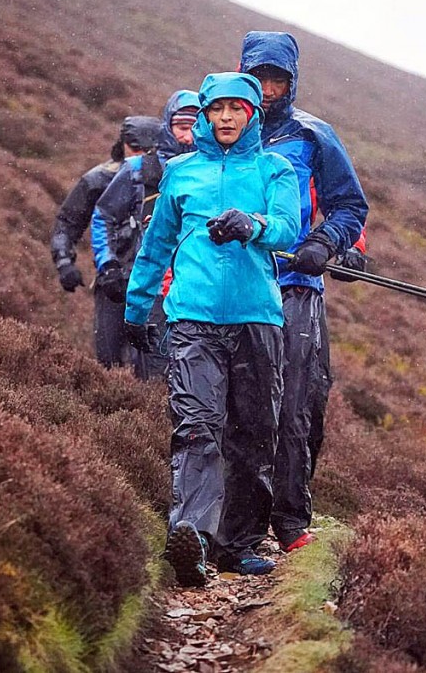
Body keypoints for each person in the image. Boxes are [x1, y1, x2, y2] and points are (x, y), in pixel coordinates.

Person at [124, 72, 300, 584]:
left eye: (236, 109)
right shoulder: (180, 173)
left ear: (252, 115)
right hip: (193, 319)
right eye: (216, 108)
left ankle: (239, 543)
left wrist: (253, 225)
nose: (225, 118)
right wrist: (137, 311)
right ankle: (193, 539)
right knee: (197, 426)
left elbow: (289, 227)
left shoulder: (276, 169)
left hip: (257, 320)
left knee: (253, 434)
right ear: (204, 113)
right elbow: (155, 247)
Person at [239, 31, 368, 553]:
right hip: (239, 287)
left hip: (296, 288)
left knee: (297, 407)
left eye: (278, 79)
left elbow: (349, 207)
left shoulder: (315, 135)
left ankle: (290, 520)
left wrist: (326, 242)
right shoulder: (224, 127)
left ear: (292, 82)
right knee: (240, 406)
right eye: (260, 78)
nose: (268, 89)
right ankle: (234, 524)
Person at [92, 90, 198, 379]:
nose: (189, 137)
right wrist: (107, 265)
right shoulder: (137, 169)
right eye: (182, 128)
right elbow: (103, 215)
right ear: (168, 127)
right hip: (143, 284)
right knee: (137, 369)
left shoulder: (210, 173)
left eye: (196, 128)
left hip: (191, 292)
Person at [48, 116, 161, 367]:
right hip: (112, 280)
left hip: (156, 283)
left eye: (147, 149)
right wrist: (64, 261)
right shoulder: (98, 179)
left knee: (154, 361)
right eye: (135, 148)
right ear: (122, 144)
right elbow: (67, 222)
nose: (140, 154)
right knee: (109, 360)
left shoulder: (167, 175)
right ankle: (111, 400)